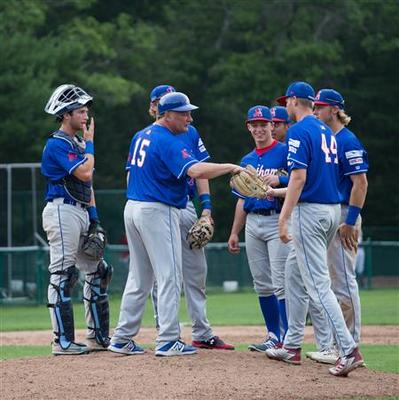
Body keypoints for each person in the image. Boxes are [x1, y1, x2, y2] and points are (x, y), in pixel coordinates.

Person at [109, 92, 243, 357]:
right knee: (169, 274)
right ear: (167, 114)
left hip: (133, 207)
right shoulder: (166, 140)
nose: (189, 118)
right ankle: (168, 339)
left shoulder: (142, 134)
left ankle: (122, 337)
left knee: (140, 276)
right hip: (157, 210)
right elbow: (195, 171)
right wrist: (230, 167)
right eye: (184, 113)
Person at [265, 81, 364, 377]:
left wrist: (283, 217)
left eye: (287, 101)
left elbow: (298, 178)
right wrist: (275, 193)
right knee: (293, 274)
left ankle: (348, 350)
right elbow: (313, 181)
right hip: (330, 209)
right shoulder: (326, 131)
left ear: (295, 101)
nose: (285, 106)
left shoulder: (298, 130)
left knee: (319, 285)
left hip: (309, 213)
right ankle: (292, 345)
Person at [148, 84, 234, 350]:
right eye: (161, 101)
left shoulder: (189, 131)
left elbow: (202, 172)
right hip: (159, 206)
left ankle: (202, 331)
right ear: (155, 107)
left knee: (196, 269)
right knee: (160, 273)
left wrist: (206, 207)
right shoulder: (149, 136)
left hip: (185, 205)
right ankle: (165, 330)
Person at [41, 84, 113, 355]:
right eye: (80, 111)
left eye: (86, 111)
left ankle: (97, 338)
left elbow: (88, 184)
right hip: (62, 211)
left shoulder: (76, 144)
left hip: (80, 211)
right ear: (65, 114)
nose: (86, 116)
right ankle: (61, 342)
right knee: (63, 274)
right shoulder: (57, 143)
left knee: (99, 270)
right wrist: (91, 144)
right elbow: (84, 173)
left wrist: (94, 219)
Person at [306, 88, 368, 363]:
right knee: (330, 282)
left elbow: (361, 183)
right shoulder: (326, 139)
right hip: (330, 211)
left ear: (334, 109)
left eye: (320, 107)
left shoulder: (347, 141)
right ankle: (337, 345)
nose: (316, 111)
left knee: (343, 281)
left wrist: (351, 221)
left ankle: (351, 345)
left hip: (345, 214)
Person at [227, 105, 291, 352]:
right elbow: (242, 200)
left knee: (281, 282)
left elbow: (300, 179)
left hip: (277, 219)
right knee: (262, 283)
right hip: (253, 222)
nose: (259, 129)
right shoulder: (247, 160)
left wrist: (281, 179)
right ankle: (273, 335)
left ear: (272, 126)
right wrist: (234, 231)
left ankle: (288, 338)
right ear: (248, 127)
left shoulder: (284, 152)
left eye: (263, 124)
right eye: (254, 125)